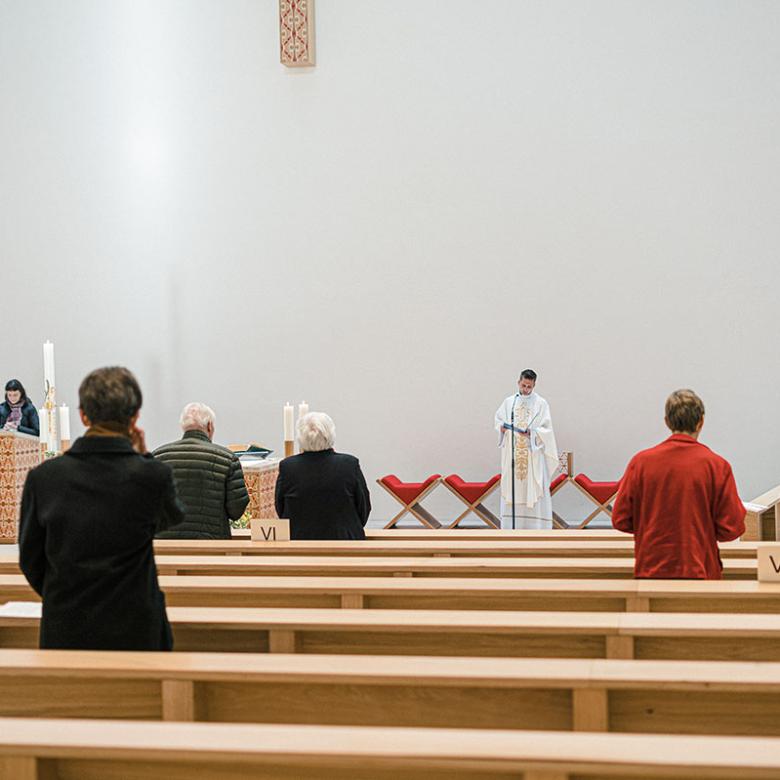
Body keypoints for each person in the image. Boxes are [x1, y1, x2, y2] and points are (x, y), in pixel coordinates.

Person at [18, 366, 184, 650]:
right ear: (134, 418)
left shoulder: (44, 478)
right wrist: (143, 456)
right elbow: (170, 518)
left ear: (83, 415)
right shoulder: (152, 476)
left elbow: (31, 558)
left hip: (66, 625)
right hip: (136, 627)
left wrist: (64, 595)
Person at [612, 389, 745, 579]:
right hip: (700, 570)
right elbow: (732, 528)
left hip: (650, 571)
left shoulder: (640, 463)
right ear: (701, 422)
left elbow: (621, 519)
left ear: (667, 422)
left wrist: (650, 526)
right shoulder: (717, 466)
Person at [154, 402, 249, 539]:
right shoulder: (227, 459)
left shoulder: (158, 457)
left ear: (183, 426)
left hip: (166, 544)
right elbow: (236, 511)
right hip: (212, 546)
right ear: (210, 426)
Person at [275, 412, 371, 539]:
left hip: (299, 542)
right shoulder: (349, 464)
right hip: (345, 540)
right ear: (331, 435)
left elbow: (280, 507)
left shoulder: (288, 467)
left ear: (301, 438)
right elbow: (363, 506)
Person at [494, 369, 559, 529]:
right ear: (518, 382)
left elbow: (547, 429)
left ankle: (536, 527)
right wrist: (502, 428)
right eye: (524, 385)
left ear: (534, 385)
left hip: (532, 455)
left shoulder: (541, 403)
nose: (526, 389)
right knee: (513, 488)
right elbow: (498, 420)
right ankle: (511, 527)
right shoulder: (509, 402)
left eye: (529, 386)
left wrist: (533, 432)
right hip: (513, 456)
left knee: (533, 488)